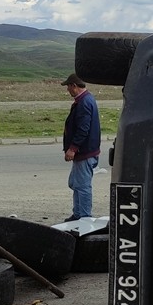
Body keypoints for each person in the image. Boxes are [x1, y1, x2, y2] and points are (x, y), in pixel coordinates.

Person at [62, 74, 101, 222]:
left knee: (83, 186)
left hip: (84, 151)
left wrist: (73, 148)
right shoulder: (85, 100)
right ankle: (78, 213)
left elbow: (83, 129)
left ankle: (84, 217)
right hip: (85, 151)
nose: (67, 90)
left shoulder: (84, 102)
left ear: (74, 86)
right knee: (76, 183)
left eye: (68, 86)